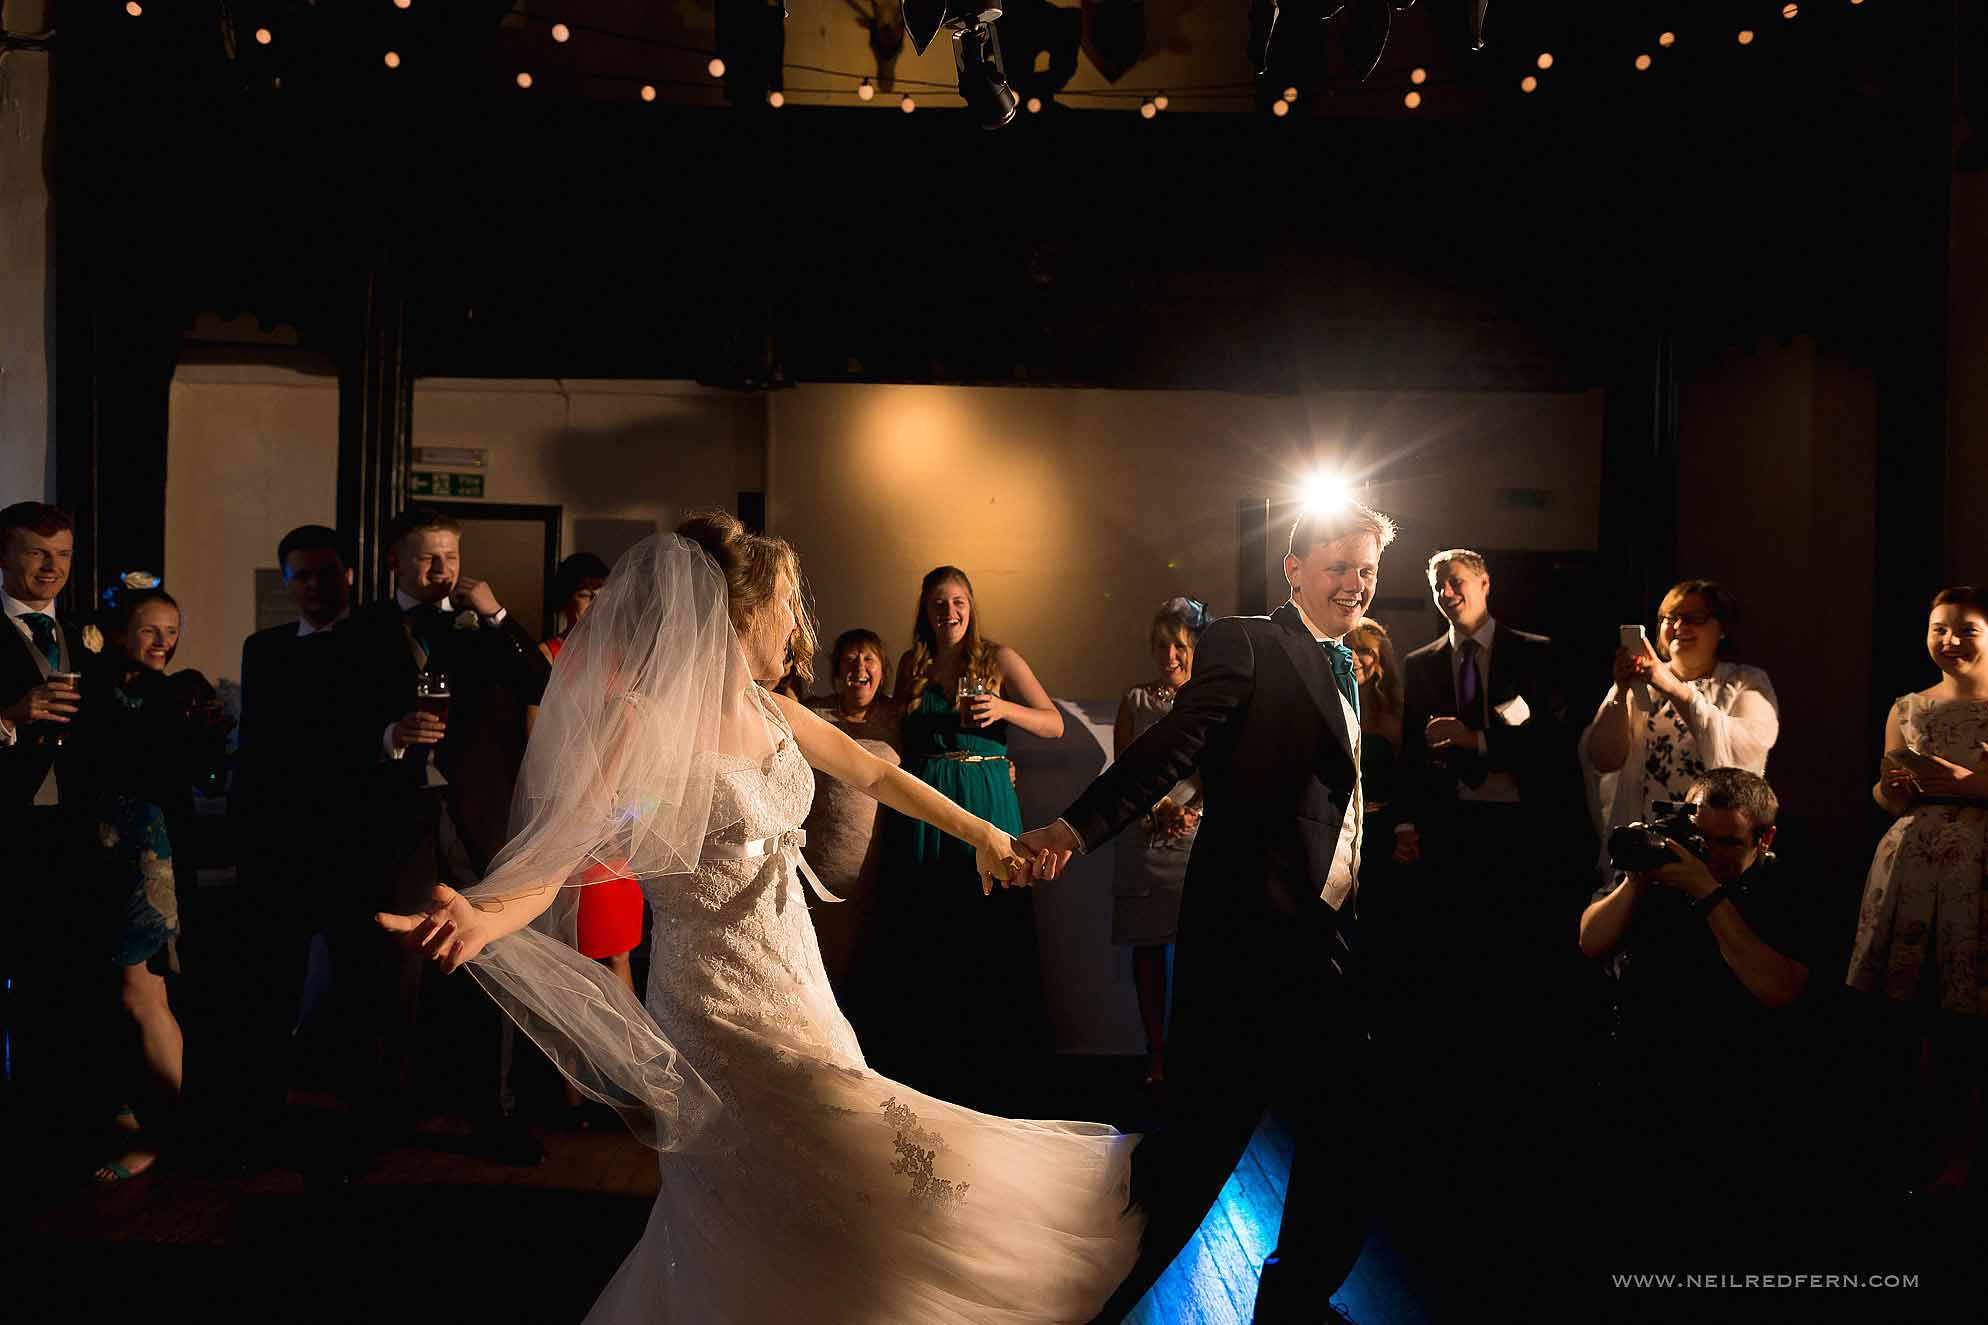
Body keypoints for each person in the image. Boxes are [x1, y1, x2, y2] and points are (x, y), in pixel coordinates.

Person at [376, 512, 1141, 1322]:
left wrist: (986, 833)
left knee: (827, 1168)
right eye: (785, 607)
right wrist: (486, 917)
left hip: (794, 973)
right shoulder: (646, 723)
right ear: (737, 614)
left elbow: (876, 778)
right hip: (715, 999)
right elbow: (576, 843)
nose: (798, 629)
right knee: (790, 1164)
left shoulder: (774, 710)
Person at [1018, 499, 1395, 1324]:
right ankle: (1078, 1293)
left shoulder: (1349, 662)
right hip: (1252, 938)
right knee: (1196, 1149)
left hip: (1329, 934)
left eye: (1367, 569)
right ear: (1293, 567)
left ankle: (1295, 1293)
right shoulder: (1250, 641)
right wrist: (1074, 828)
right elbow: (1172, 746)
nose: (1356, 583)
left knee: (1351, 1123)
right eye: (1339, 565)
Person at [342, 507, 552, 1168]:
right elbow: (328, 725)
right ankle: (382, 1116)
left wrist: (495, 614)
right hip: (396, 818)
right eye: (429, 559)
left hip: (478, 815)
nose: (443, 571)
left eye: (451, 558)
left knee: (485, 957)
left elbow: (538, 682)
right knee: (396, 965)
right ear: (396, 562)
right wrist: (387, 736)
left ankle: (493, 1113)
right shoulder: (361, 630)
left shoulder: (484, 627)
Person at [1576, 768, 1826, 1260]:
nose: (1710, 854)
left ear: (1765, 837)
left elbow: (1780, 990)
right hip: (1644, 1071)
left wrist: (1707, 891)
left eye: (1727, 842)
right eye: (1701, 838)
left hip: (1738, 1092)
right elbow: (1590, 941)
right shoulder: (1666, 871)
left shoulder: (1791, 888)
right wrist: (1637, 880)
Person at [867, 565, 1064, 1111]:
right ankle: (928, 1060)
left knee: (989, 919)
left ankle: (994, 1061)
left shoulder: (998, 659)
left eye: (957, 602)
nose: (948, 613)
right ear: (925, 611)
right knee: (928, 917)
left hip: (984, 793)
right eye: (937, 604)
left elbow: (1054, 723)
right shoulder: (913, 664)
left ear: (971, 606)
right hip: (929, 799)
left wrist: (1002, 709)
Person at [77, 582, 230, 1181]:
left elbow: (208, 778)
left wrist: (212, 736)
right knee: (113, 995)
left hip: (150, 855)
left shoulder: (180, 694)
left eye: (172, 629)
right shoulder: (91, 687)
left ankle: (169, 1133)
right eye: (150, 629)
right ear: (120, 633)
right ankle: (137, 1118)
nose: (164, 642)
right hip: (94, 855)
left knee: (145, 993)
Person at [229, 524, 375, 1145]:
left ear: (349, 574)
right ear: (289, 582)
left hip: (353, 841)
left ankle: (359, 1121)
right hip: (278, 842)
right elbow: (259, 748)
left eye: (326, 573)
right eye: (302, 576)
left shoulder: (375, 640)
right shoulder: (263, 649)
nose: (315, 586)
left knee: (359, 984)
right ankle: (260, 1117)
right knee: (269, 984)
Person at [1847, 585, 1988, 1196]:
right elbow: (1885, 796)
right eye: (1939, 628)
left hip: (1979, 861)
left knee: (1967, 1015)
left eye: (1965, 629)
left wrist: (1968, 782)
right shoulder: (1907, 706)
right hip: (1911, 858)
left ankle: (1963, 1158)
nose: (1949, 640)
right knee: (1907, 1012)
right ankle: (1906, 1151)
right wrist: (1894, 788)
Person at [0, 501, 97, 1098]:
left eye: (62, 555)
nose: (51, 568)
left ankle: (56, 1111)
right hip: (8, 825)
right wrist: (7, 715)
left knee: (64, 978)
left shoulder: (87, 632)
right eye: (37, 553)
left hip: (75, 830)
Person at [1579, 579, 1779, 862]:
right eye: (1671, 618)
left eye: (1694, 618)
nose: (1679, 626)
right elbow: (1603, 759)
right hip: (1648, 839)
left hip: (1712, 846)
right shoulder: (1641, 685)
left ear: (1721, 628)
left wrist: (1669, 684)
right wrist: (1621, 692)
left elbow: (1744, 756)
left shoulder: (1747, 682)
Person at [1111, 596, 1210, 1091]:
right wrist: (1157, 810)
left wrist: (1193, 812)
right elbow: (1124, 773)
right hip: (1147, 836)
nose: (1169, 654)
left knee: (1198, 950)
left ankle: (1193, 1054)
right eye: (1160, 646)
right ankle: (1156, 1055)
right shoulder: (1135, 701)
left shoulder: (1209, 698)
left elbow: (1223, 770)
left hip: (1196, 835)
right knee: (1148, 952)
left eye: (1178, 645)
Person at [542, 552, 641, 1004]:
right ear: (566, 601)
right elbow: (538, 744)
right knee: (574, 953)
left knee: (620, 951)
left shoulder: (632, 661)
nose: (598, 605)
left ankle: (632, 1065)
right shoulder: (550, 655)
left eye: (605, 595)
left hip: (624, 820)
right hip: (572, 814)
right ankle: (581, 1069)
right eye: (586, 595)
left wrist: (635, 814)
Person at [799, 628, 903, 991]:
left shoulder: (898, 717)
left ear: (882, 670)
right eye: (851, 658)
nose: (860, 666)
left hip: (881, 870)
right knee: (822, 973)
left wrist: (1002, 766)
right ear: (837, 670)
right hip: (819, 869)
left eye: (869, 658)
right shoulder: (812, 713)